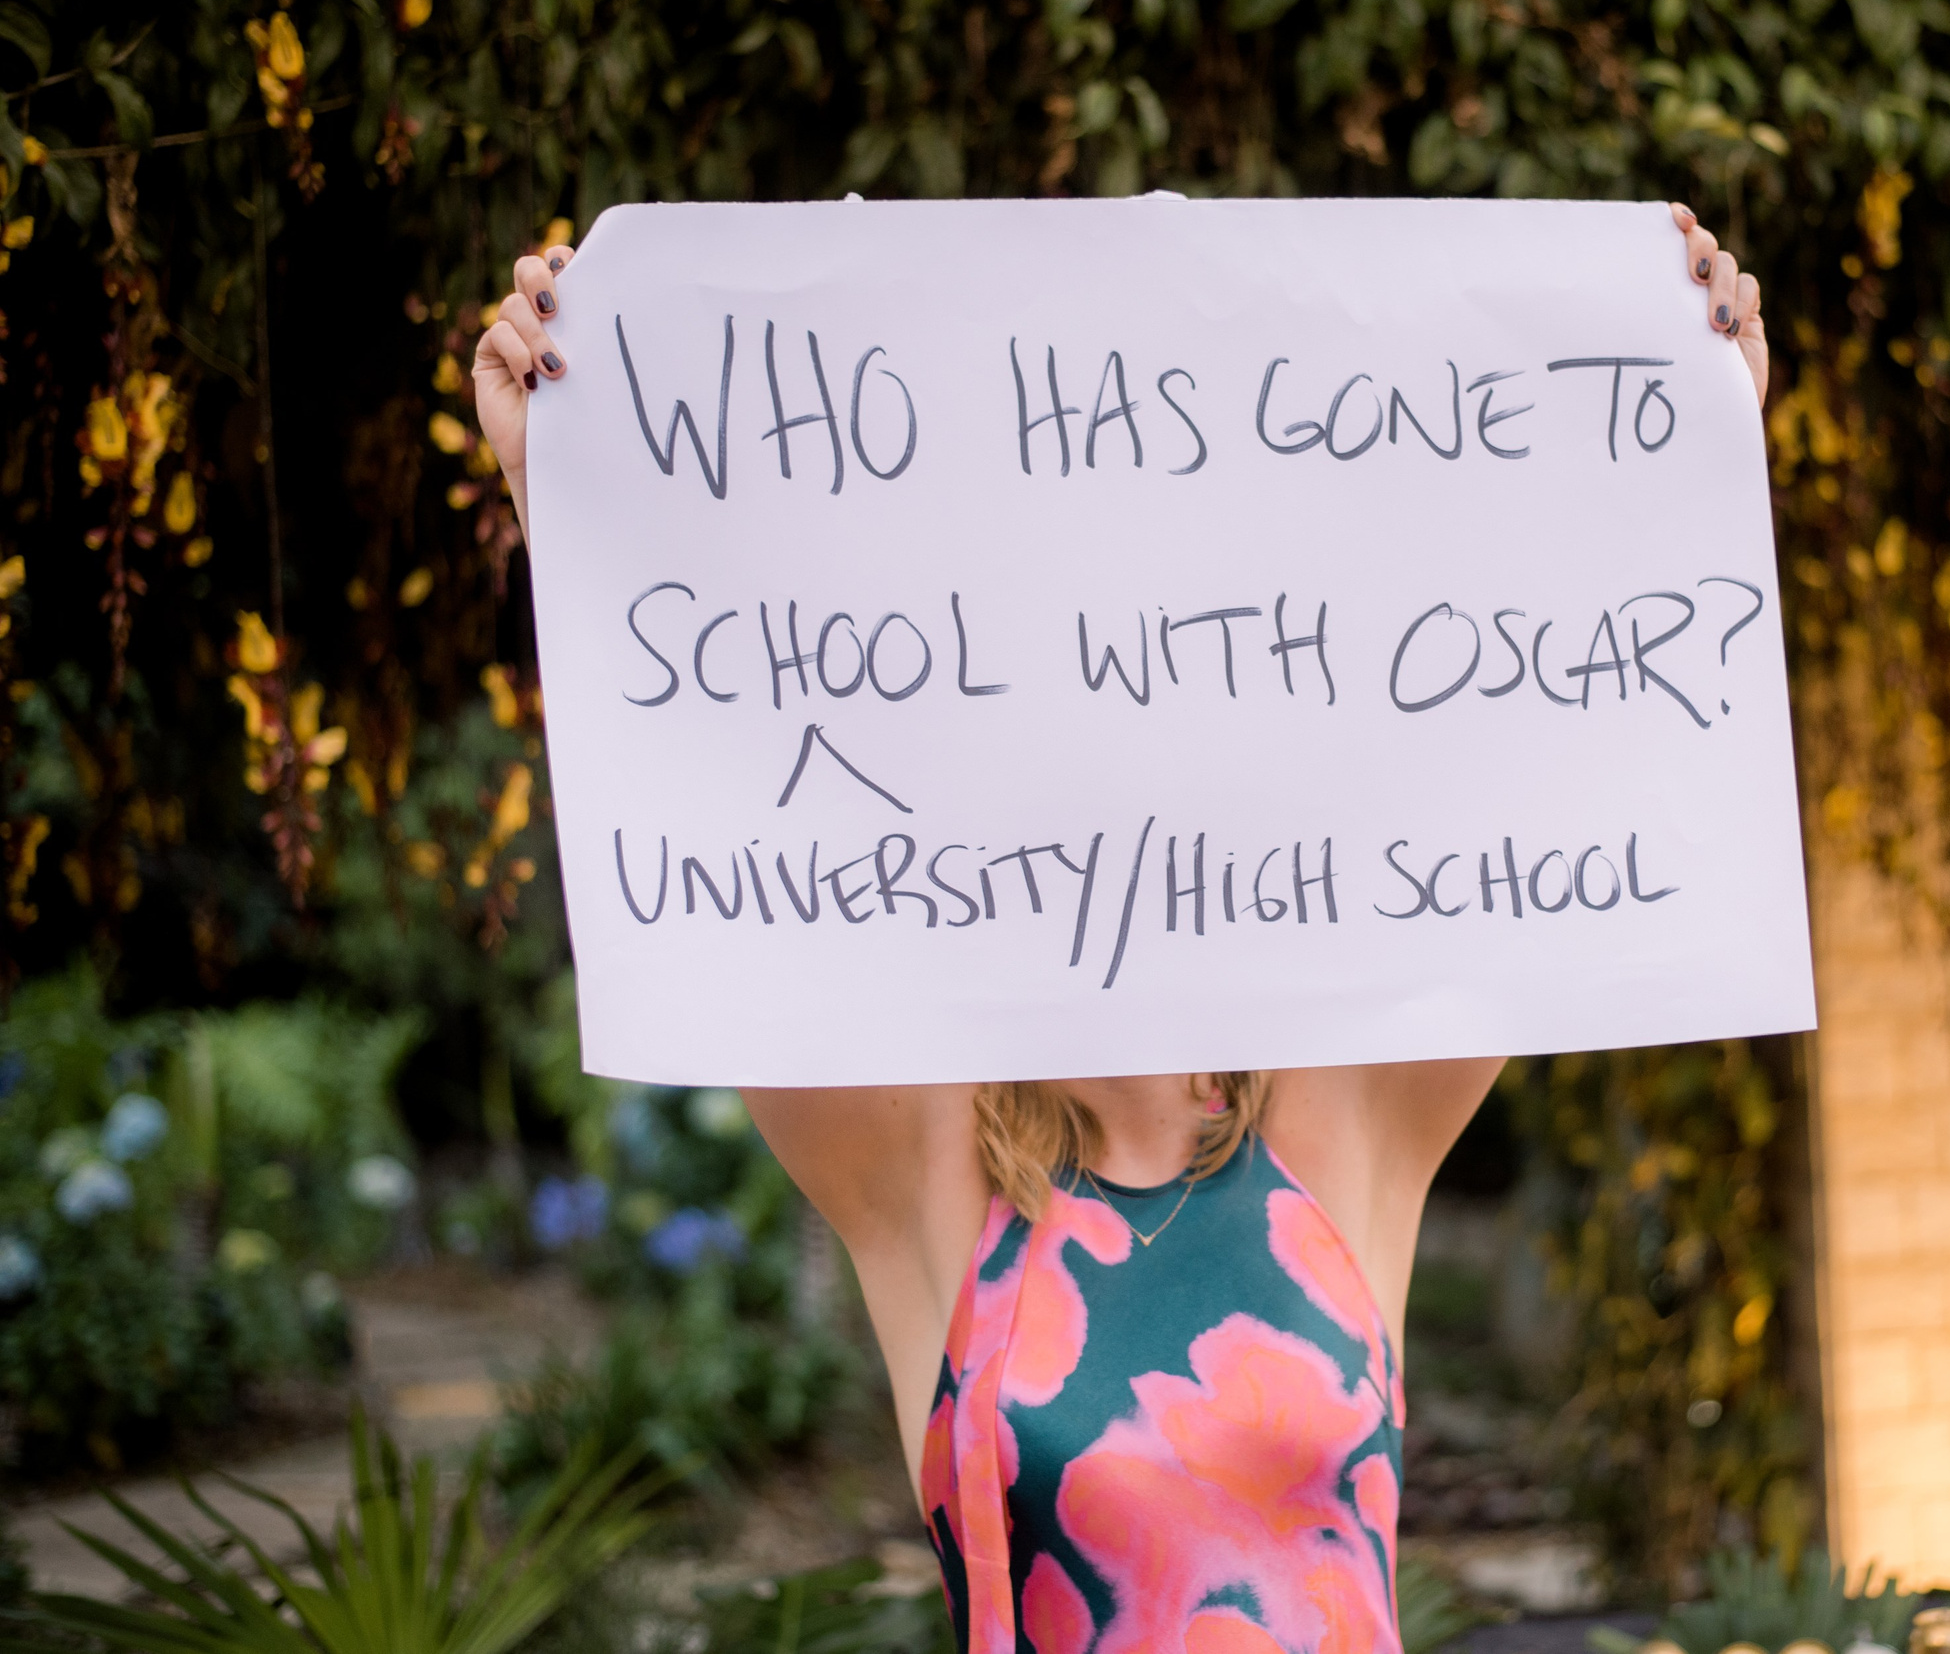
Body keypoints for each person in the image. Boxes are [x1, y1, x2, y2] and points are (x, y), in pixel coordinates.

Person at [473, 202, 1767, 1654]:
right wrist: (571, 497)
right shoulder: (933, 1168)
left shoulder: (1336, 1125)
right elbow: (717, 812)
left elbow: (1537, 735)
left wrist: (1686, 426)